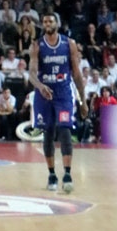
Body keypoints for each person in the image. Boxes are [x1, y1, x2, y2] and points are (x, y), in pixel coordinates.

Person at [28, 12, 88, 193]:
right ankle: (52, 174)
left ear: (57, 23)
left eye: (51, 21)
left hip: (63, 93)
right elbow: (31, 73)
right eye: (45, 21)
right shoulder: (37, 45)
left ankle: (68, 173)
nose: (47, 23)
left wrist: (83, 100)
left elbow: (76, 73)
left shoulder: (69, 43)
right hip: (44, 93)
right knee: (48, 131)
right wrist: (40, 86)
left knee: (64, 129)